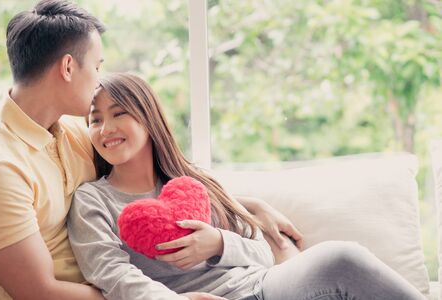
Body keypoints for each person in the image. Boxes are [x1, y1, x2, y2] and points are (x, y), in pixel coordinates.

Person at [0, 1, 301, 299]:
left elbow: (147, 184)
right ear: (69, 67)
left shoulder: (75, 133)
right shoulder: (1, 167)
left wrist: (250, 206)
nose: (99, 80)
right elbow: (37, 292)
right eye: (97, 66)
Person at [67, 72, 425, 300]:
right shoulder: (93, 199)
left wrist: (218, 243)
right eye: (94, 120)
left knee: (341, 259)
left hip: (264, 287)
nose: (105, 129)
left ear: (148, 117)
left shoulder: (192, 183)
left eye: (118, 113)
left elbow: (265, 251)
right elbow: (110, 273)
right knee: (341, 260)